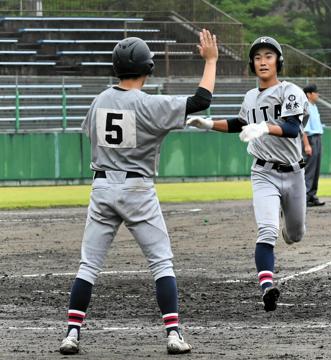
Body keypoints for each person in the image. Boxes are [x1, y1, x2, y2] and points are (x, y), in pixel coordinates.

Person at [58, 31, 218, 355]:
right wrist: (211, 60)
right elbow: (201, 101)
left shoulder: (99, 100)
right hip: (137, 188)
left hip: (101, 186)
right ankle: (173, 334)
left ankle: (72, 334)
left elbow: (89, 133)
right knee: (161, 263)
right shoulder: (148, 104)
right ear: (149, 68)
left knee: (88, 265)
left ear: (116, 68)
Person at [186, 36, 308, 312]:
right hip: (263, 172)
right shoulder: (251, 97)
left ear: (278, 61)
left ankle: (290, 227)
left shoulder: (290, 90)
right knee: (266, 230)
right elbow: (239, 123)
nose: (263, 61)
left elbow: (291, 128)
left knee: (296, 234)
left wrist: (264, 127)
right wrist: (207, 123)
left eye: (268, 55)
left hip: (294, 173)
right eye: (257, 57)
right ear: (252, 64)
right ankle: (267, 286)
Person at [301, 83, 325, 207]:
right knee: (309, 169)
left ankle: (312, 196)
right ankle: (305, 197)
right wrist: (306, 145)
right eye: (315, 92)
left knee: (316, 169)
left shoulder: (314, 106)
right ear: (309, 94)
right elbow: (303, 128)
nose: (318, 94)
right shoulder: (305, 107)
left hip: (317, 138)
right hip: (310, 139)